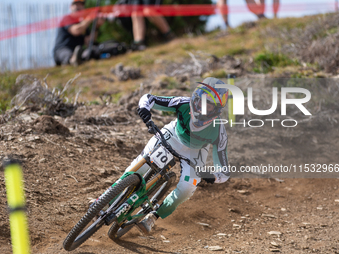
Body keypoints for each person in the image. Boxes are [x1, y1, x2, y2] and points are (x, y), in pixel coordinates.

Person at [127, 77, 230, 234]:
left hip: (196, 152)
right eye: (199, 101)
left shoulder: (219, 131)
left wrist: (213, 176)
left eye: (207, 105)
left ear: (216, 110)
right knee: (140, 165)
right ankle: (106, 201)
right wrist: (144, 109)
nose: (201, 108)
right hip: (173, 135)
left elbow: (224, 172)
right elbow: (149, 98)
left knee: (187, 188)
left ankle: (153, 217)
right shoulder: (183, 103)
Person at [53, 0, 104, 66]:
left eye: (81, 4)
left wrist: (97, 27)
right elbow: (76, 30)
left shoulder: (83, 23)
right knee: (67, 53)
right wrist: (89, 19)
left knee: (90, 51)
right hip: (62, 49)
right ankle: (72, 60)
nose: (78, 7)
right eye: (76, 4)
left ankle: (77, 59)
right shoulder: (67, 18)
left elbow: (88, 41)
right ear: (71, 7)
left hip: (77, 50)